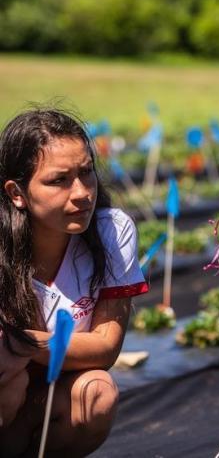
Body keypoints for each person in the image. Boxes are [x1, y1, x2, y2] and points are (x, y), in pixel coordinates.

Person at [0, 109, 148, 457]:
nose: (82, 192)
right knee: (10, 383)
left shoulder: (111, 231)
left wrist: (24, 344)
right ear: (16, 192)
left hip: (50, 395)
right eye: (59, 180)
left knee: (97, 391)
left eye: (86, 173)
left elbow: (106, 348)